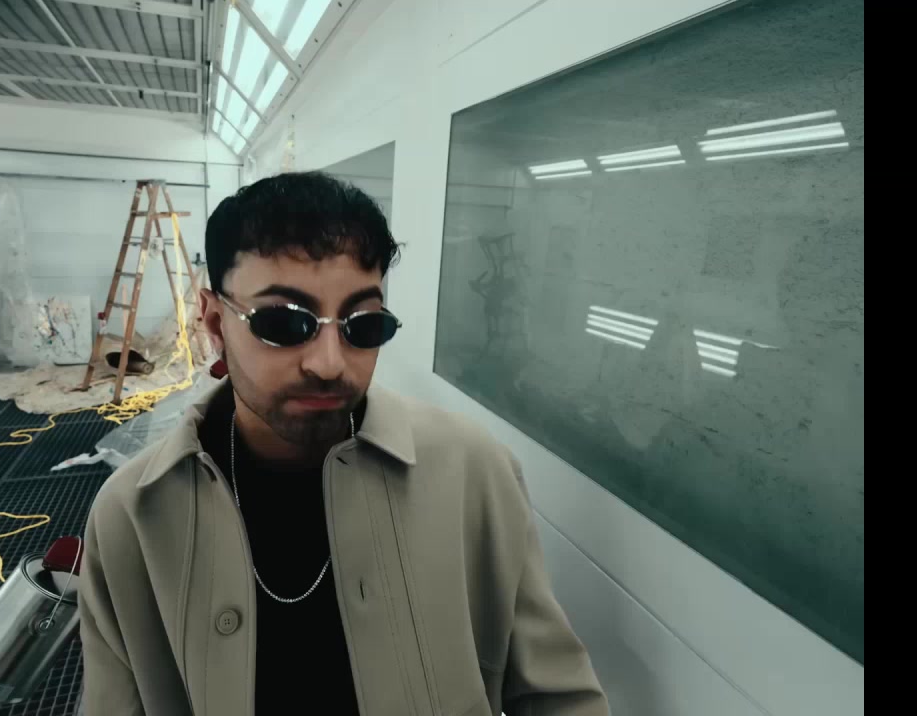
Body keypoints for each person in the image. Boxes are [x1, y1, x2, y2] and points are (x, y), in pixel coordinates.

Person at [78, 171, 608, 715]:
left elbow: (559, 698)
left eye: (362, 325)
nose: (330, 363)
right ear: (215, 322)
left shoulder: (473, 473)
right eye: (285, 323)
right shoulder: (132, 516)